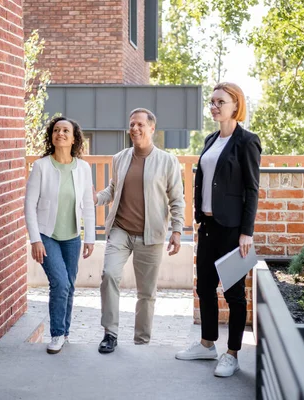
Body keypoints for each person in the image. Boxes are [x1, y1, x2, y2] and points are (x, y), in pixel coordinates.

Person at [175, 82, 261, 377]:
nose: (213, 106)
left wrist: (246, 232)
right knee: (204, 288)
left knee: (235, 293)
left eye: (219, 101)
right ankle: (207, 344)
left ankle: (233, 353)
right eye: (211, 101)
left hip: (233, 229)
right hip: (208, 226)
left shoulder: (247, 141)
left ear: (235, 105)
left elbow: (252, 189)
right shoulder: (211, 139)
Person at [94, 108, 185, 354]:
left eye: (140, 125)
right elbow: (112, 189)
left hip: (150, 235)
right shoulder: (120, 158)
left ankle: (141, 341)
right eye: (132, 124)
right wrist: (95, 198)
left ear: (152, 128)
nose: (134, 129)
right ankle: (110, 333)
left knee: (146, 292)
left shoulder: (167, 161)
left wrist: (177, 230)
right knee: (109, 275)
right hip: (120, 230)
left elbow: (177, 199)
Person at [25, 116, 95, 354]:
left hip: (72, 237)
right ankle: (56, 334)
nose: (60, 133)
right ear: (52, 136)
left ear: (74, 137)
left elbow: (88, 203)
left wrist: (90, 238)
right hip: (47, 235)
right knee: (60, 283)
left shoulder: (83, 168)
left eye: (66, 130)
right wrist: (35, 239)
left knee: (70, 285)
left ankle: (65, 332)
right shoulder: (41, 166)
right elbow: (29, 205)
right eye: (56, 130)